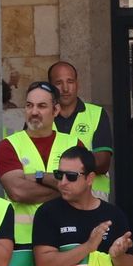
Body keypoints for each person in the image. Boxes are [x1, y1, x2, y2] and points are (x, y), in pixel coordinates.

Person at [0, 83, 81, 249]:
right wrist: (65, 186)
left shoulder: (74, 144)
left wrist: (37, 176)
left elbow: (81, 189)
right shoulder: (8, 145)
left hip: (67, 236)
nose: (34, 112)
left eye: (42, 106)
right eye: (29, 106)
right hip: (23, 241)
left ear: (55, 110)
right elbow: (18, 192)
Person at [50, 60, 114, 199]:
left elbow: (102, 163)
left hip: (92, 200)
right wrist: (85, 161)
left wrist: (55, 170)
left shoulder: (96, 114)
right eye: (59, 83)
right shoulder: (43, 117)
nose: (65, 88)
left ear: (77, 84)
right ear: (51, 87)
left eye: (70, 81)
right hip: (51, 198)